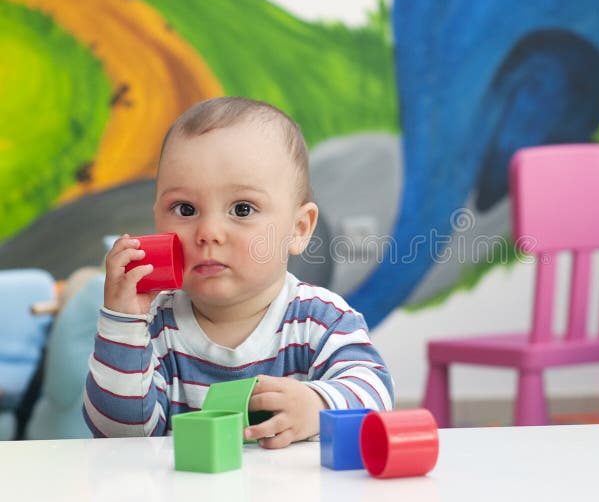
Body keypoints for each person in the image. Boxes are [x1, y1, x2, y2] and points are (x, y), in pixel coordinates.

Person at [83, 97, 393, 448]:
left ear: (299, 229)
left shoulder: (321, 320)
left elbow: (377, 393)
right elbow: (120, 436)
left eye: (242, 209)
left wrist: (316, 404)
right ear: (157, 218)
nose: (208, 231)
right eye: (185, 209)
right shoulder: (151, 325)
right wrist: (121, 325)